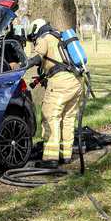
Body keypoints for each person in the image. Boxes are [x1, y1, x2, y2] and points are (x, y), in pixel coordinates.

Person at [26, 18, 85, 168]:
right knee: (68, 119)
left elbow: (37, 57)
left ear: (35, 30)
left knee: (50, 117)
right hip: (76, 81)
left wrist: (22, 65)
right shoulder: (59, 36)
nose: (34, 40)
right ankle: (66, 156)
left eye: (33, 38)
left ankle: (50, 159)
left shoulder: (44, 38)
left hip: (61, 83)